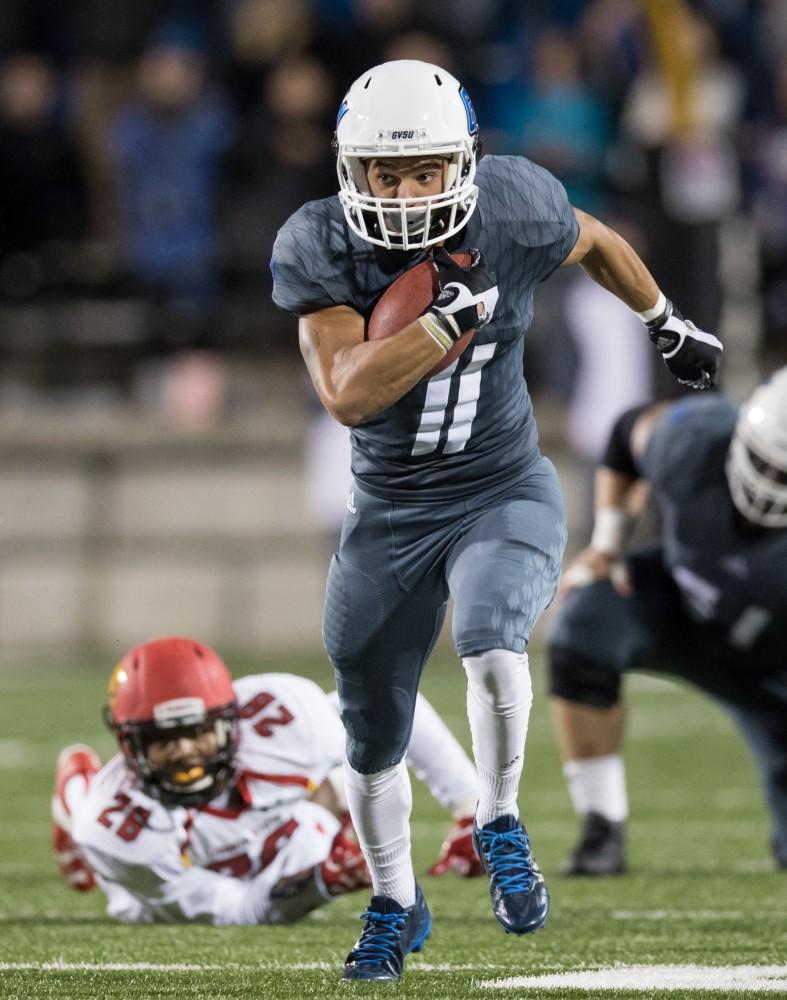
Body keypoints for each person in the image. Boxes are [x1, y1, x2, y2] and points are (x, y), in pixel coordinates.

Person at [270, 59, 722, 982]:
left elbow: (594, 239)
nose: (401, 193)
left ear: (462, 164)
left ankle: (499, 817)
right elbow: (346, 395)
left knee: (489, 636)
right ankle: (396, 902)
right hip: (391, 511)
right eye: (383, 174)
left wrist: (664, 320)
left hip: (500, 487)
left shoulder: (511, 206)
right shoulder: (317, 242)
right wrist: (441, 326)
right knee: (367, 724)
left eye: (422, 171)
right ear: (350, 171)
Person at [51, 636, 482, 925]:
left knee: (345, 794)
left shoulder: (284, 717)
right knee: (109, 868)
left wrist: (469, 809)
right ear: (130, 745)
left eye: (197, 732)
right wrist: (323, 882)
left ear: (231, 721)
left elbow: (390, 709)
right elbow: (236, 906)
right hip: (174, 871)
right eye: (161, 740)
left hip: (273, 824)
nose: (183, 751)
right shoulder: (114, 828)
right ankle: (74, 789)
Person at [548, 369, 787, 877]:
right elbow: (625, 434)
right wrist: (608, 543)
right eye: (767, 465)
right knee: (584, 616)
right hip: (677, 608)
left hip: (776, 666)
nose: (770, 486)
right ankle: (601, 831)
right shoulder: (696, 440)